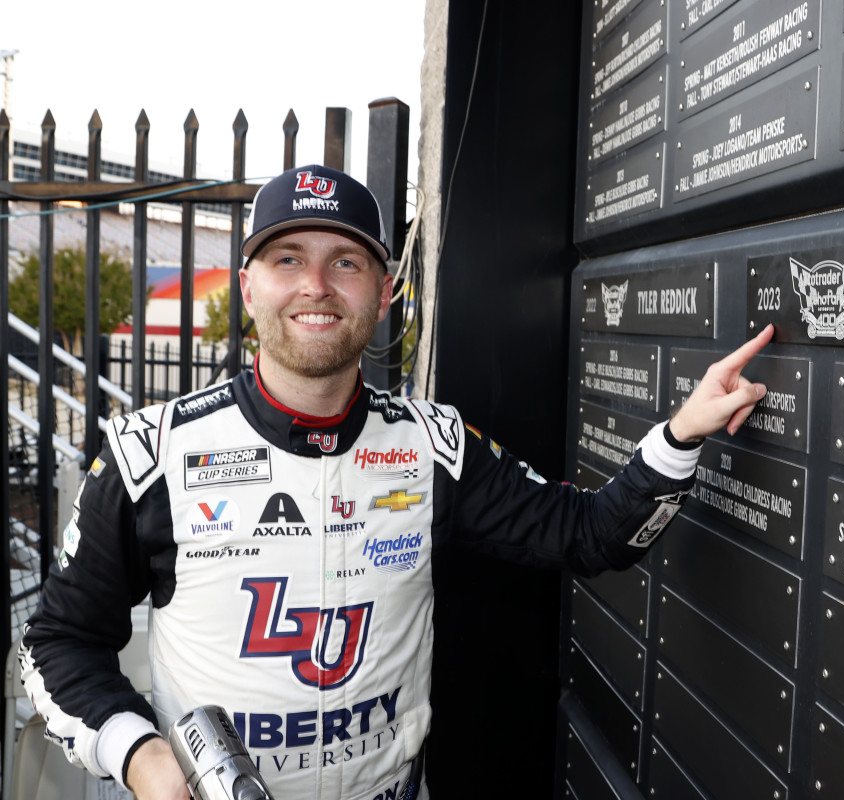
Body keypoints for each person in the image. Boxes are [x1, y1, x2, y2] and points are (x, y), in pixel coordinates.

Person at [19, 164, 774, 800]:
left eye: (345, 262)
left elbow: (591, 533)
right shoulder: (148, 454)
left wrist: (681, 434)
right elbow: (57, 644)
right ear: (248, 289)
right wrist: (141, 756)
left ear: (383, 294)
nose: (316, 285)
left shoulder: (432, 444)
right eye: (287, 260)